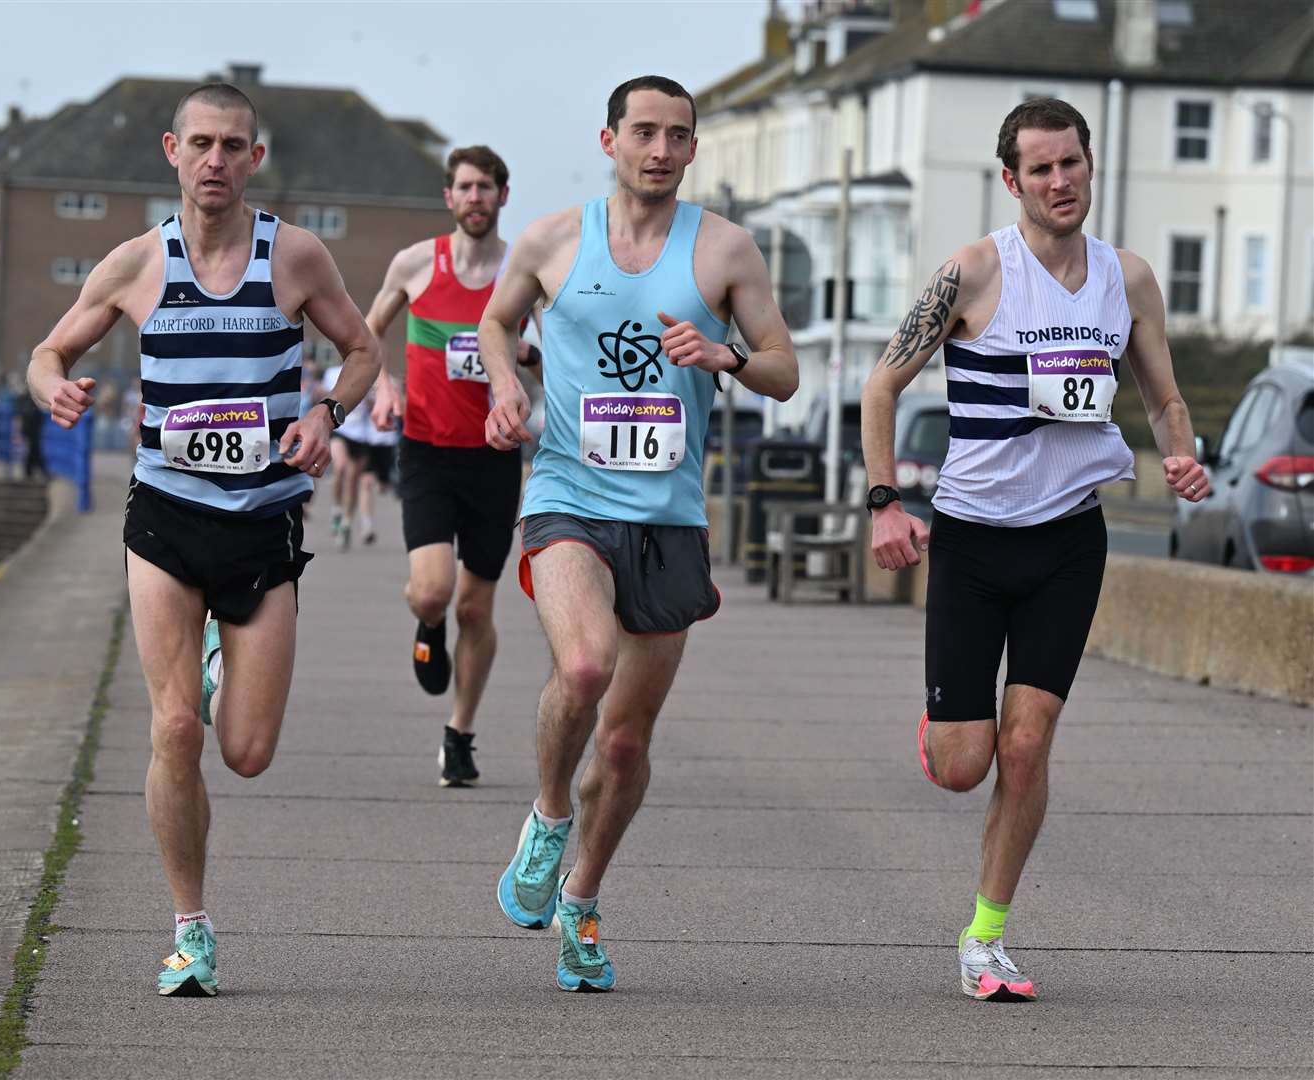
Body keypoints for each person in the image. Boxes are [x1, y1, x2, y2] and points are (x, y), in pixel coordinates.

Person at [26, 82, 381, 997]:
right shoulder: (135, 264)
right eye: (202, 145)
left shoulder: (294, 257)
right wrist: (52, 388)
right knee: (174, 728)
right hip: (167, 517)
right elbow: (46, 353)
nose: (216, 160)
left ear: (254, 159)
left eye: (234, 146)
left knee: (246, 752)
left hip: (262, 521)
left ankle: (223, 656)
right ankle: (190, 929)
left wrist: (326, 413)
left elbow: (364, 350)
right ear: (171, 151)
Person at [860, 97, 1210, 1003]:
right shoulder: (973, 272)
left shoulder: (1126, 280)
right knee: (963, 763)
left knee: (1027, 744)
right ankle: (945, 731)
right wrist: (885, 504)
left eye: (1072, 164)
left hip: (1067, 541)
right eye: (1041, 169)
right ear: (1011, 180)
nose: (1060, 182)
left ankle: (985, 938)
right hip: (973, 542)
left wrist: (1179, 448)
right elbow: (879, 387)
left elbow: (1164, 396)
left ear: (1091, 168)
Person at [479, 75, 798, 992]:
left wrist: (724, 353)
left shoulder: (726, 250)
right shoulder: (551, 239)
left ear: (693, 150)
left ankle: (581, 899)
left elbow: (784, 370)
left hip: (668, 518)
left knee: (622, 745)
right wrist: (508, 389)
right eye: (643, 132)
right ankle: (546, 820)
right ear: (609, 139)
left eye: (677, 136)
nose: (659, 149)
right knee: (582, 668)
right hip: (568, 495)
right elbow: (497, 324)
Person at [365, 145, 541, 787]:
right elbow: (365, 331)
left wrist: (528, 358)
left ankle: (460, 733)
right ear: (449, 197)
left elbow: (556, 354)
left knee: (477, 608)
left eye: (486, 187)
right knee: (435, 591)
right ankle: (425, 623)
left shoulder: (525, 271)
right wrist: (384, 385)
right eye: (464, 187)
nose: (475, 198)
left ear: (503, 195)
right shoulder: (415, 264)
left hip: (495, 457)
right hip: (428, 450)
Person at [322, 359, 395, 548]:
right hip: (340, 430)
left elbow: (375, 404)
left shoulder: (366, 370)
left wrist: (372, 399)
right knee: (341, 467)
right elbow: (321, 397)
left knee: (354, 479)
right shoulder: (331, 373)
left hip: (360, 435)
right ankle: (337, 509)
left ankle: (346, 521)